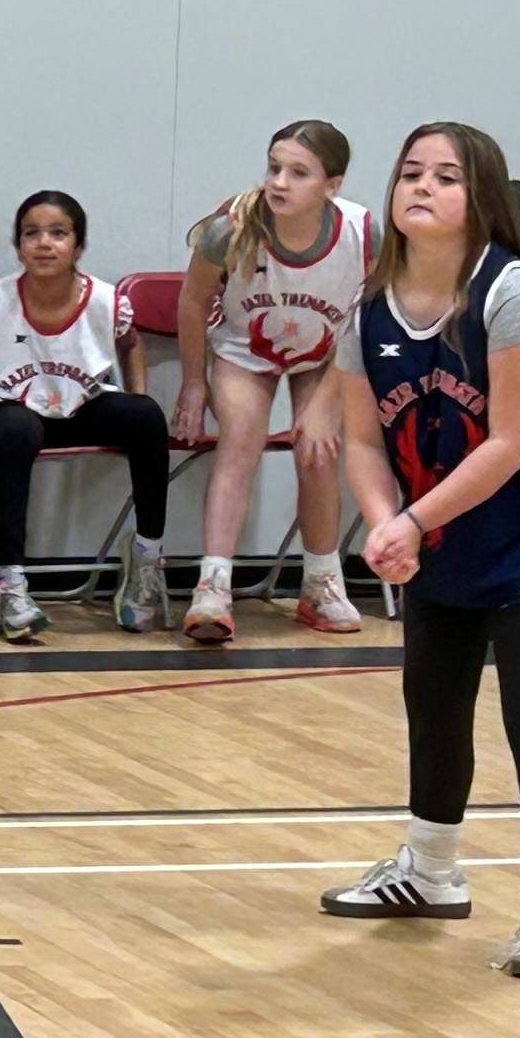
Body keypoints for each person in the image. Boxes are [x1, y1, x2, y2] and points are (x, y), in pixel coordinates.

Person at [316, 121, 520, 980]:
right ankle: (431, 872)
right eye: (411, 173)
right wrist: (381, 521)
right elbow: (364, 442)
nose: (422, 187)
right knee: (433, 703)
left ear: (478, 200)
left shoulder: (516, 294)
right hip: (440, 535)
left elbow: (512, 442)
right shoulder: (367, 312)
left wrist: (412, 522)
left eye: (446, 176)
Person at [175, 119, 371, 646]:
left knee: (319, 449)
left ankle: (320, 582)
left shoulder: (365, 233)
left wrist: (328, 398)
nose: (279, 182)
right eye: (274, 167)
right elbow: (193, 302)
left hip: (326, 355)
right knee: (240, 441)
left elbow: (371, 317)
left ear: (333, 185)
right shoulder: (231, 226)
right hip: (244, 348)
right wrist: (193, 383)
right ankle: (212, 585)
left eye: (298, 173)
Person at [0, 190, 173, 643]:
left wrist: (137, 395)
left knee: (146, 416)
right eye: (32, 234)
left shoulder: (106, 300)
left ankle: (146, 559)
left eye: (58, 233)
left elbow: (130, 344)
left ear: (79, 246)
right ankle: (12, 585)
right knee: (16, 429)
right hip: (11, 410)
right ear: (17, 246)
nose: (44, 243)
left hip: (81, 405)